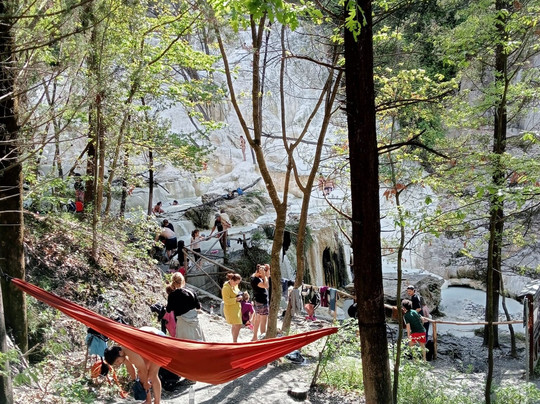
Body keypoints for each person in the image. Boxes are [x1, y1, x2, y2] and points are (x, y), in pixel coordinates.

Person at [104, 327, 165, 404]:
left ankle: (157, 402)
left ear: (120, 353)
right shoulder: (121, 350)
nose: (119, 363)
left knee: (152, 375)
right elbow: (131, 368)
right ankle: (148, 401)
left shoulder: (129, 351)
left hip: (159, 341)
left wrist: (146, 382)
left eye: (117, 361)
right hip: (148, 344)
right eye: (116, 364)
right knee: (142, 375)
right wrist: (135, 381)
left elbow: (143, 369)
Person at [166, 272, 205, 342]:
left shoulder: (172, 295)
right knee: (198, 341)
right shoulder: (191, 291)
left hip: (182, 324)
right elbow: (198, 307)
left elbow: (168, 309)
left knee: (183, 343)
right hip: (194, 322)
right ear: (183, 280)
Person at [221, 273, 243, 342]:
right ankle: (235, 341)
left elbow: (237, 292)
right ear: (232, 280)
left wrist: (241, 296)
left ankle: (234, 340)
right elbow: (226, 301)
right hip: (230, 309)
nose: (237, 284)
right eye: (236, 283)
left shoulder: (235, 285)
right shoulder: (226, 288)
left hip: (236, 308)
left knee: (235, 325)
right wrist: (236, 299)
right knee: (238, 324)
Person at [250, 264, 269, 341]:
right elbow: (266, 285)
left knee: (257, 319)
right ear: (258, 272)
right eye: (262, 273)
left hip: (258, 301)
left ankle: (254, 337)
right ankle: (262, 339)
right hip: (262, 301)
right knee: (263, 320)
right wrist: (264, 276)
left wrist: (267, 269)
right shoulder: (256, 280)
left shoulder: (254, 276)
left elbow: (267, 276)